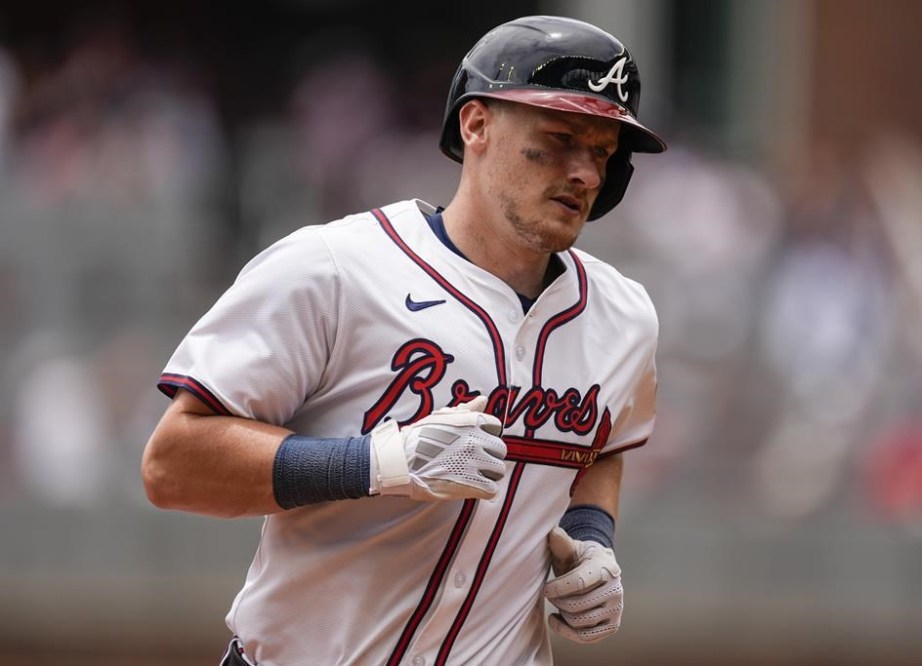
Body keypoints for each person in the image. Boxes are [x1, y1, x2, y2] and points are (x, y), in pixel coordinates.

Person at [142, 15, 665, 666]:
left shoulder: (623, 316)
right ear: (476, 125)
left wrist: (591, 539)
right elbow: (173, 464)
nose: (585, 172)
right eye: (560, 139)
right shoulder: (335, 268)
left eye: (602, 151)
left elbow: (603, 445)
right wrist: (376, 464)